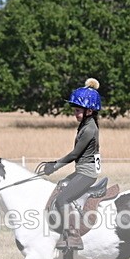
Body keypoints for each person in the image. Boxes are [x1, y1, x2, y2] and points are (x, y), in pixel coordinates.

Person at [40, 78, 102, 250]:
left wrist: (55, 165)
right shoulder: (85, 124)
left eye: (78, 111)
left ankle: (74, 237)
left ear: (89, 110)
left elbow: (75, 154)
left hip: (86, 174)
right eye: (74, 110)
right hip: (82, 171)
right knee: (61, 186)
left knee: (62, 200)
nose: (75, 114)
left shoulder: (89, 129)